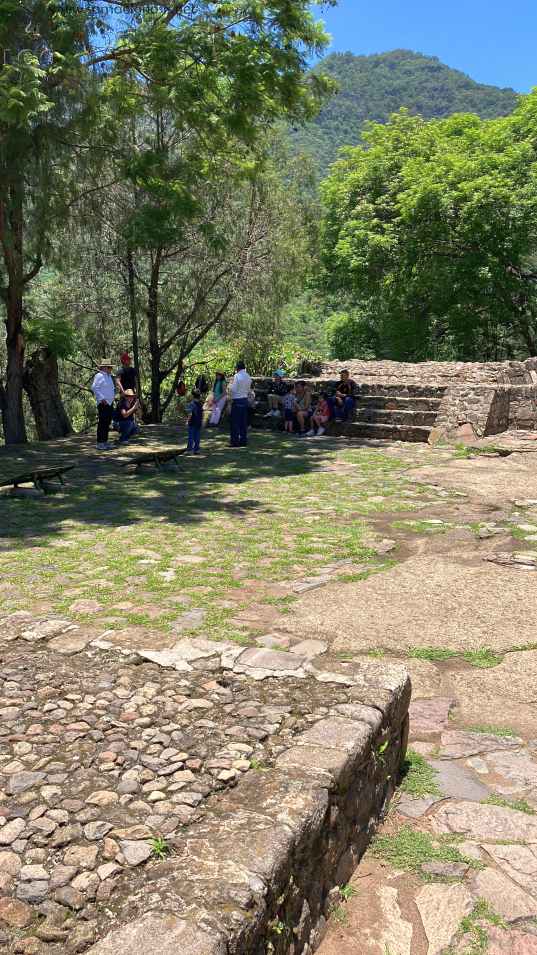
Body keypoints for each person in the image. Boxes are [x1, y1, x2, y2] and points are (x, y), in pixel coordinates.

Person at [91, 360, 116, 450]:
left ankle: (105, 441)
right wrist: (102, 399)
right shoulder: (99, 375)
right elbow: (94, 387)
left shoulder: (109, 376)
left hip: (109, 403)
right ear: (104, 368)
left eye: (111, 367)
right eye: (109, 367)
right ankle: (100, 443)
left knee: (107, 422)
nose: (111, 369)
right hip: (103, 403)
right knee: (102, 423)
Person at [229, 360, 252, 448]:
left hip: (237, 400)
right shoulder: (248, 376)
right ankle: (243, 440)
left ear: (237, 368)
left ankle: (235, 441)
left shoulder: (237, 376)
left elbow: (234, 389)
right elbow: (248, 389)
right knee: (243, 422)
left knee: (235, 422)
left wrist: (230, 385)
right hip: (244, 400)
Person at [186, 389, 203, 454]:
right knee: (197, 437)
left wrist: (187, 421)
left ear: (193, 396)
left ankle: (189, 450)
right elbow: (202, 413)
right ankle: (196, 449)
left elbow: (190, 414)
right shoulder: (200, 404)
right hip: (198, 422)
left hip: (192, 422)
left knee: (191, 437)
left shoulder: (191, 404)